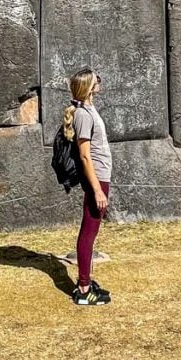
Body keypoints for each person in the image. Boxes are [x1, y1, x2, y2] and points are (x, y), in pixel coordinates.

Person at [62, 67, 112, 307]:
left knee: (92, 230)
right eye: (96, 79)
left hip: (102, 176)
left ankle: (86, 280)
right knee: (88, 231)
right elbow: (84, 156)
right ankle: (83, 288)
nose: (99, 82)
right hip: (97, 178)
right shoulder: (83, 114)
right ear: (88, 86)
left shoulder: (90, 109)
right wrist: (97, 190)